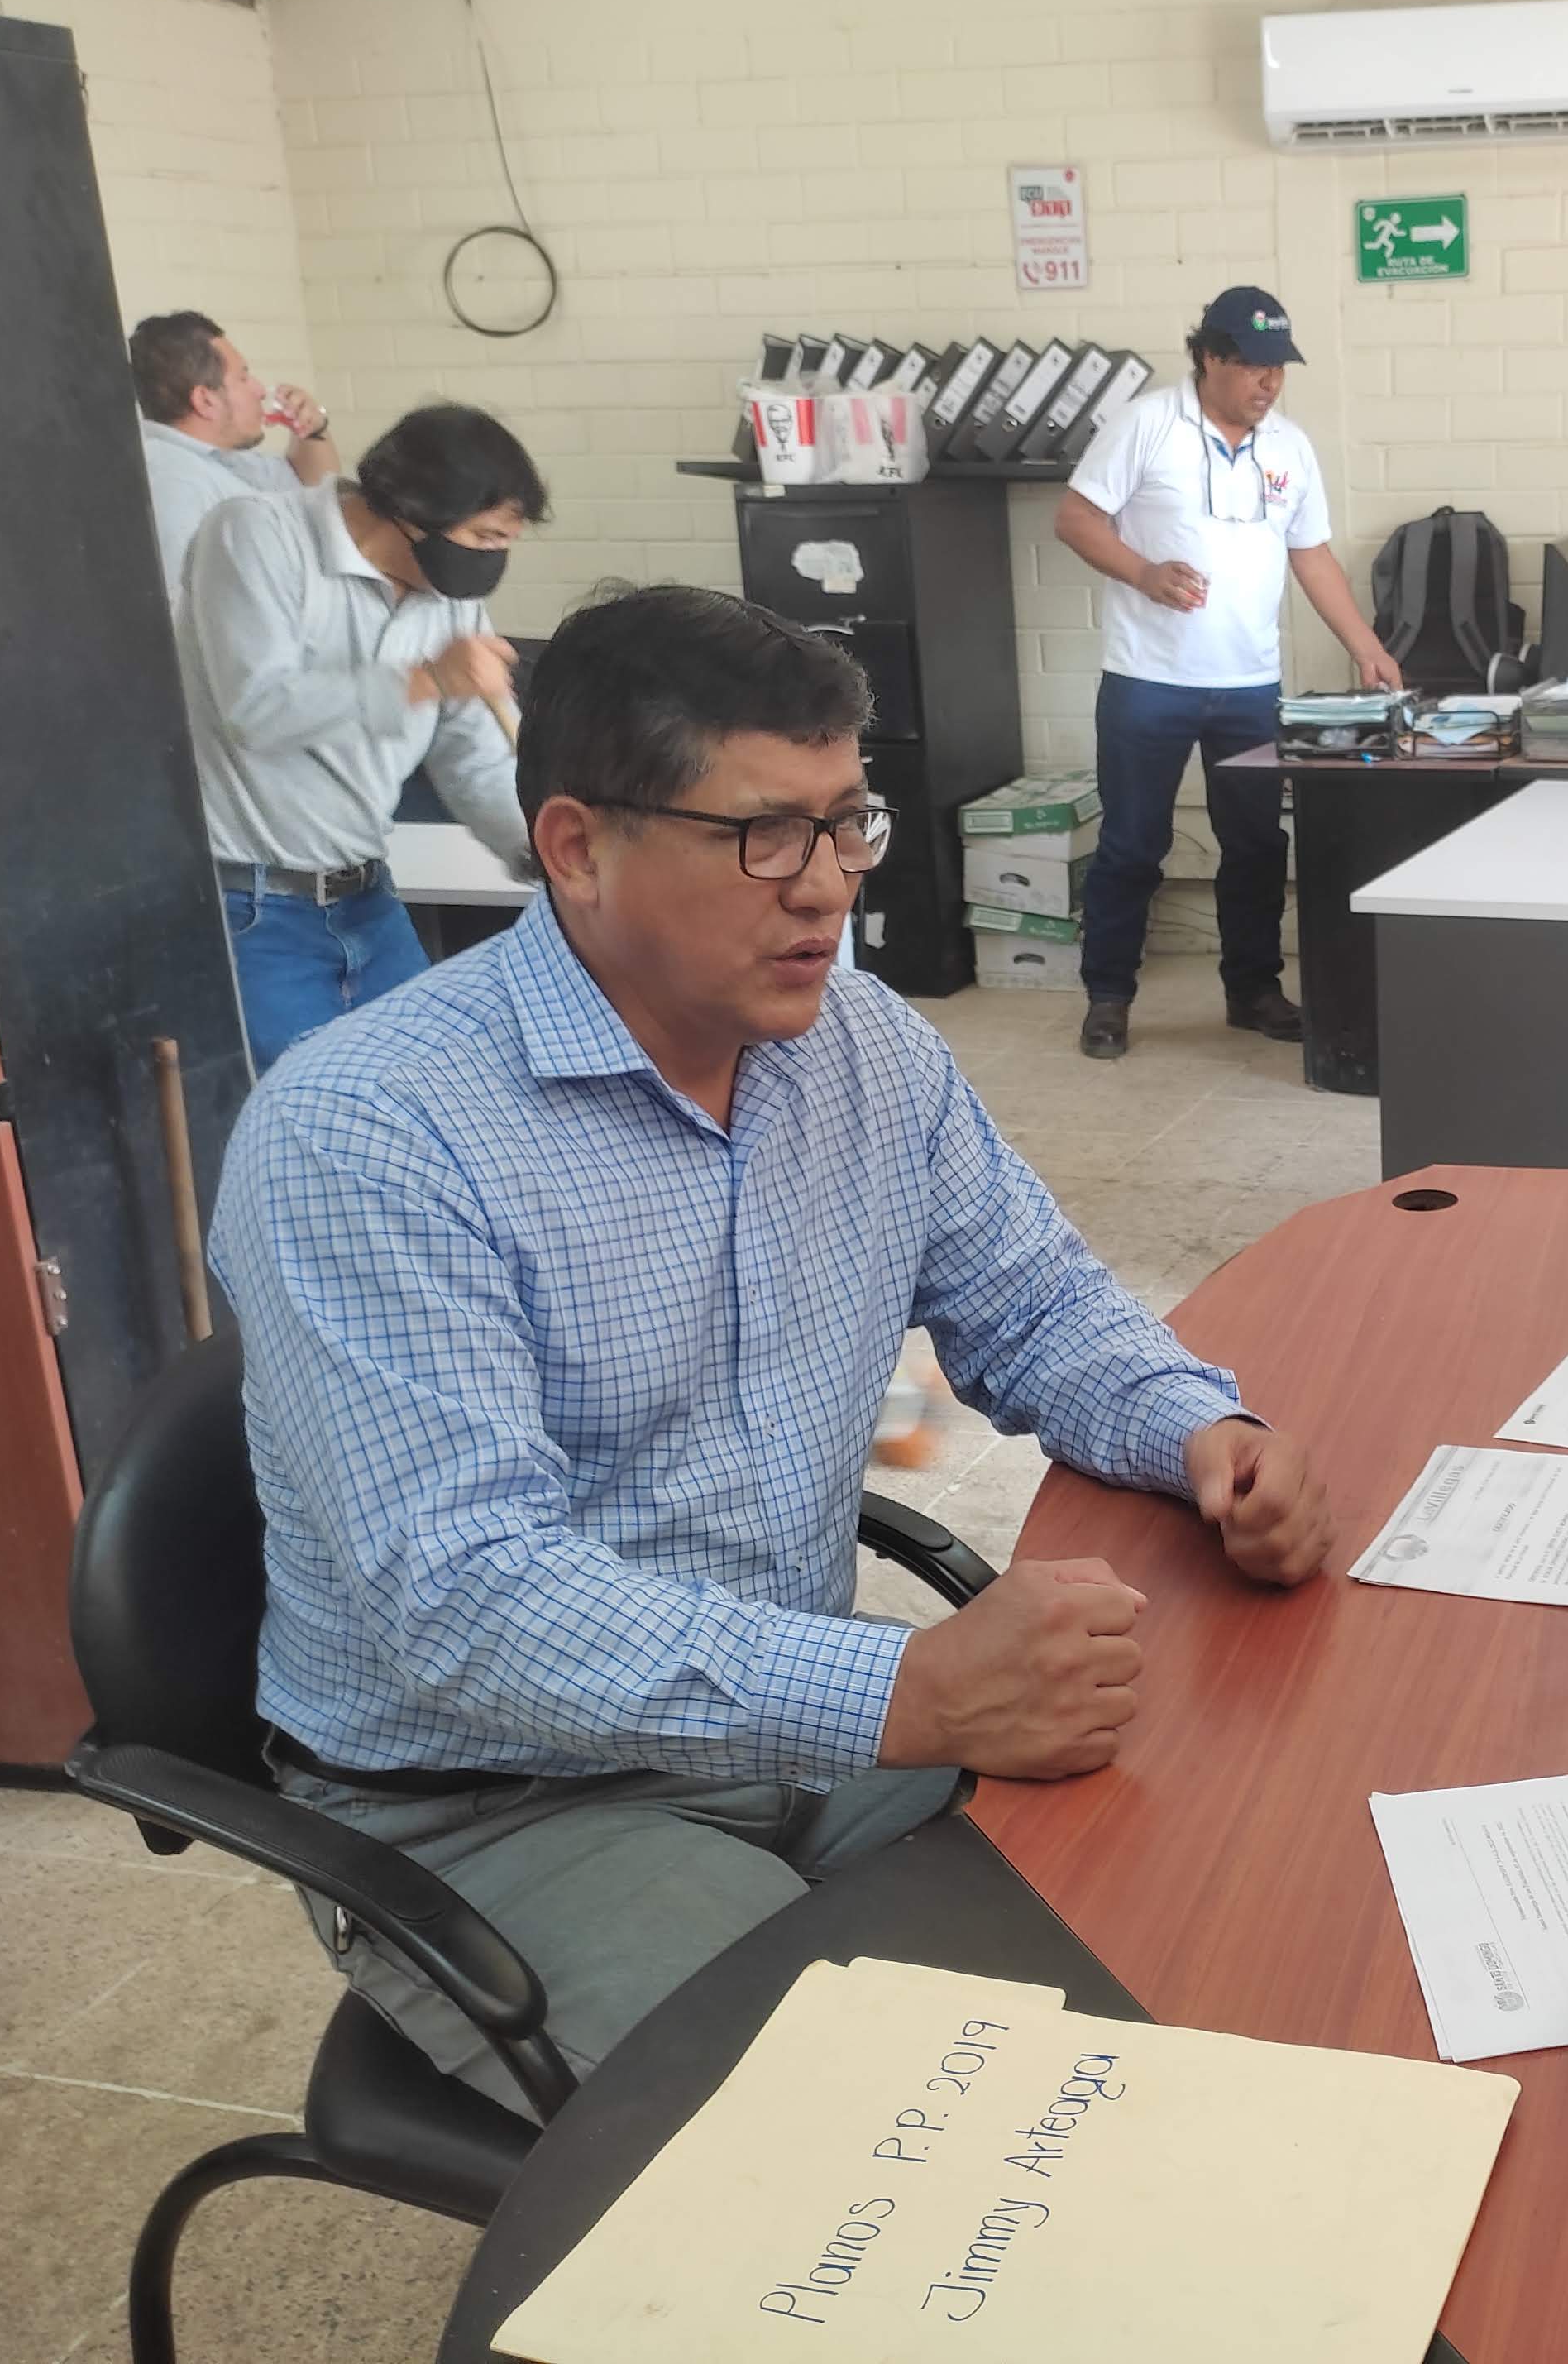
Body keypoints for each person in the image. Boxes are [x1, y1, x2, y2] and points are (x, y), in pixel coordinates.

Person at [215, 583, 1339, 2113]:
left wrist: (1202, 1432)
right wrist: (904, 1696)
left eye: (845, 823)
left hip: (793, 1726)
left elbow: (1034, 1302)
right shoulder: (368, 1132)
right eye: (762, 834)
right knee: (896, 2132)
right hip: (498, 1804)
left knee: (1220, 1902)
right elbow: (466, 1599)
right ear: (576, 847)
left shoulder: (860, 1047)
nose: (827, 889)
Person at [1054, 285, 1402, 1060]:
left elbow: (1310, 553)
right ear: (1210, 357)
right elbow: (1075, 519)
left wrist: (1365, 644)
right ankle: (1108, 997)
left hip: (1249, 684)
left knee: (1254, 846)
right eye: (1252, 365)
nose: (1268, 382)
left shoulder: (1290, 447)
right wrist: (1144, 574)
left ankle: (1253, 992)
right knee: (1132, 845)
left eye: (1279, 367)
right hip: (1147, 681)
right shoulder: (1148, 423)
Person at [179, 401, 541, 1073]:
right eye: (486, 537)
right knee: (303, 1107)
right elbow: (255, 709)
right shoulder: (255, 535)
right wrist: (425, 678)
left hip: (367, 897)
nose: (495, 560)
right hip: (253, 909)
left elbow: (473, 757)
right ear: (414, 509)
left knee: (431, 1084)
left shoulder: (449, 596)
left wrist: (542, 849)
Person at [129, 310, 336, 603]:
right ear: (206, 401)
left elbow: (318, 490)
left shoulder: (222, 459)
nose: (260, 390)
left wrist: (312, 429)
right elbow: (182, 608)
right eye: (243, 377)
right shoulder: (173, 483)